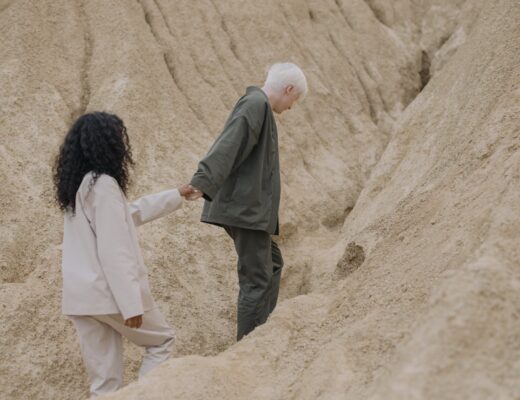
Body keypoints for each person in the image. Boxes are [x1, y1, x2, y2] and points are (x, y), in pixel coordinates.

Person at [53, 112, 194, 396]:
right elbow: (114, 250)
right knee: (161, 342)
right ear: (106, 144)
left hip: (82, 299)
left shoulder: (77, 187)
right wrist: (131, 304)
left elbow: (127, 215)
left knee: (104, 384)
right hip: (108, 295)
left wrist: (176, 195)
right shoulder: (103, 185)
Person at [188, 62, 308, 340]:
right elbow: (230, 142)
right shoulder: (255, 104)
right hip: (246, 210)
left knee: (273, 263)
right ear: (288, 89)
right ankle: (249, 345)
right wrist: (203, 180)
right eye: (295, 99)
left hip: (251, 211)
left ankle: (261, 330)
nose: (292, 106)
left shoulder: (259, 107)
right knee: (256, 279)